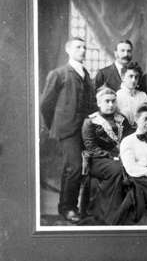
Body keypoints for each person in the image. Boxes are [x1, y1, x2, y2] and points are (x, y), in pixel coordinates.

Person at [40, 37, 96, 222]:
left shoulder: (86, 74)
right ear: (68, 50)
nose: (83, 50)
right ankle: (69, 208)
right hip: (67, 128)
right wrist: (54, 125)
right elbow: (45, 104)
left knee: (74, 168)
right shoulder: (59, 73)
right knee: (75, 167)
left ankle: (70, 206)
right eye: (78, 47)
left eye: (85, 47)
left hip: (84, 128)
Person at [81, 87, 134, 224]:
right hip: (99, 160)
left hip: (122, 157)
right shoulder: (90, 121)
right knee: (117, 170)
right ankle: (111, 214)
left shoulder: (121, 119)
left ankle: (129, 212)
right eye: (107, 101)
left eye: (113, 101)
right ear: (99, 103)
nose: (111, 105)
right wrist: (112, 157)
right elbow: (91, 147)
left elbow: (129, 140)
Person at [116, 61, 147, 127]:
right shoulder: (117, 96)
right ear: (122, 77)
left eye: (136, 77)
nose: (133, 80)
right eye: (130, 76)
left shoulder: (142, 96)